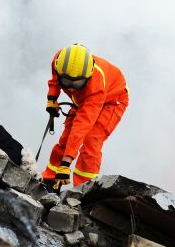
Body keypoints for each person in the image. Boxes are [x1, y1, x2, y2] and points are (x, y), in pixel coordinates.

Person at [41, 44, 129, 191]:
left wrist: (66, 163)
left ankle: (84, 190)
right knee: (66, 139)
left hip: (111, 101)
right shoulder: (59, 61)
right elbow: (55, 81)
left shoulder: (96, 86)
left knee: (91, 142)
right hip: (82, 99)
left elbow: (82, 125)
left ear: (87, 78)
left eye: (77, 83)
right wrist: (52, 98)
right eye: (67, 83)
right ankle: (50, 180)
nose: (71, 88)